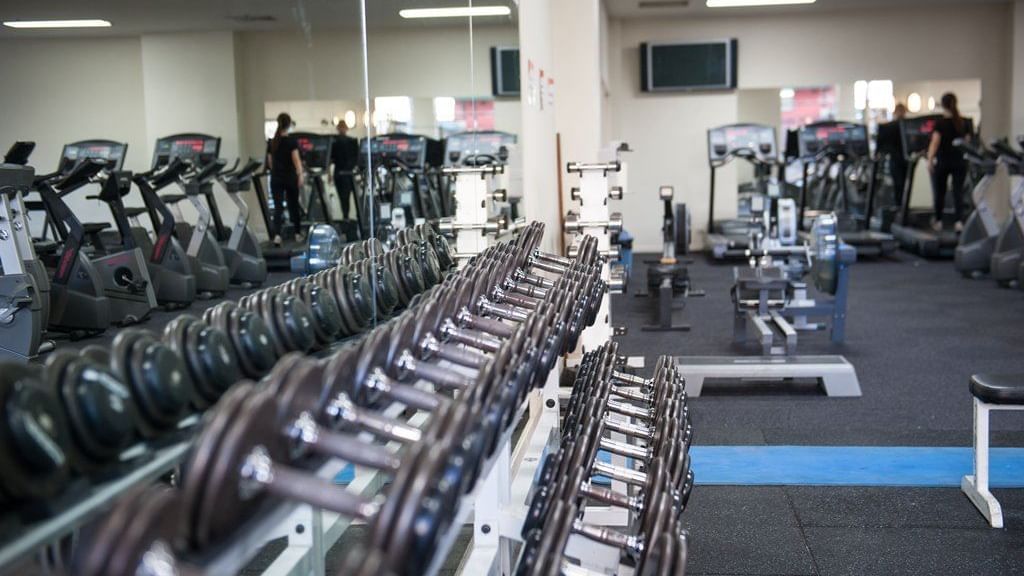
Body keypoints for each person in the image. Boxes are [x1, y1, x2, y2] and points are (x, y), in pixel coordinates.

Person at [926, 92, 970, 232]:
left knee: (940, 192)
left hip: (943, 162)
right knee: (958, 192)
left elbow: (934, 143)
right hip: (959, 162)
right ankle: (959, 222)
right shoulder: (964, 123)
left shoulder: (940, 124)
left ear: (943, 104)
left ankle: (938, 220)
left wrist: (930, 160)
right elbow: (967, 143)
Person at [266, 112, 305, 245]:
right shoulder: (291, 142)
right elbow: (296, 161)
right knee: (293, 205)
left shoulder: (272, 142)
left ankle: (277, 235)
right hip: (290, 178)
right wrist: (300, 175)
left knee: (278, 208)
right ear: (288, 125)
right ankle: (298, 234)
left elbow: (270, 163)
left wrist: (277, 172)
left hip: (276, 178)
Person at [876, 103, 909, 206]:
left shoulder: (888, 127)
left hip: (895, 159)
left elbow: (880, 144)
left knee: (899, 184)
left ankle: (899, 206)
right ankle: (901, 206)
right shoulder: (907, 127)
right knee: (903, 184)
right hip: (903, 160)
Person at [329, 119, 359, 222]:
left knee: (344, 196)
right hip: (344, 172)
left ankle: (346, 216)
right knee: (344, 197)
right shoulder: (337, 142)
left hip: (344, 172)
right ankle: (345, 216)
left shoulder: (336, 141)